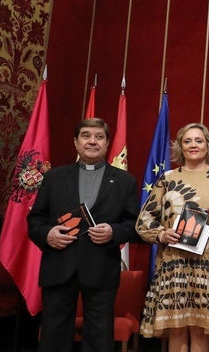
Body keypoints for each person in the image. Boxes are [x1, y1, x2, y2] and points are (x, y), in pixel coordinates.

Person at [27, 118, 139, 352]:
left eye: (99, 137)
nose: (92, 141)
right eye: (86, 136)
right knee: (54, 335)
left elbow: (133, 223)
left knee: (99, 337)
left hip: (101, 267)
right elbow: (34, 220)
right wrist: (48, 235)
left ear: (107, 144)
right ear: (76, 143)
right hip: (59, 265)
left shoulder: (125, 182)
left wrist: (113, 232)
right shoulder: (53, 178)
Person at [136, 122, 209, 351]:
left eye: (199, 140)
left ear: (208, 145)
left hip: (207, 265)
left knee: (200, 330)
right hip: (173, 265)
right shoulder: (167, 178)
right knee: (176, 328)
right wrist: (162, 233)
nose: (193, 145)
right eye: (187, 141)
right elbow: (143, 222)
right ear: (180, 146)